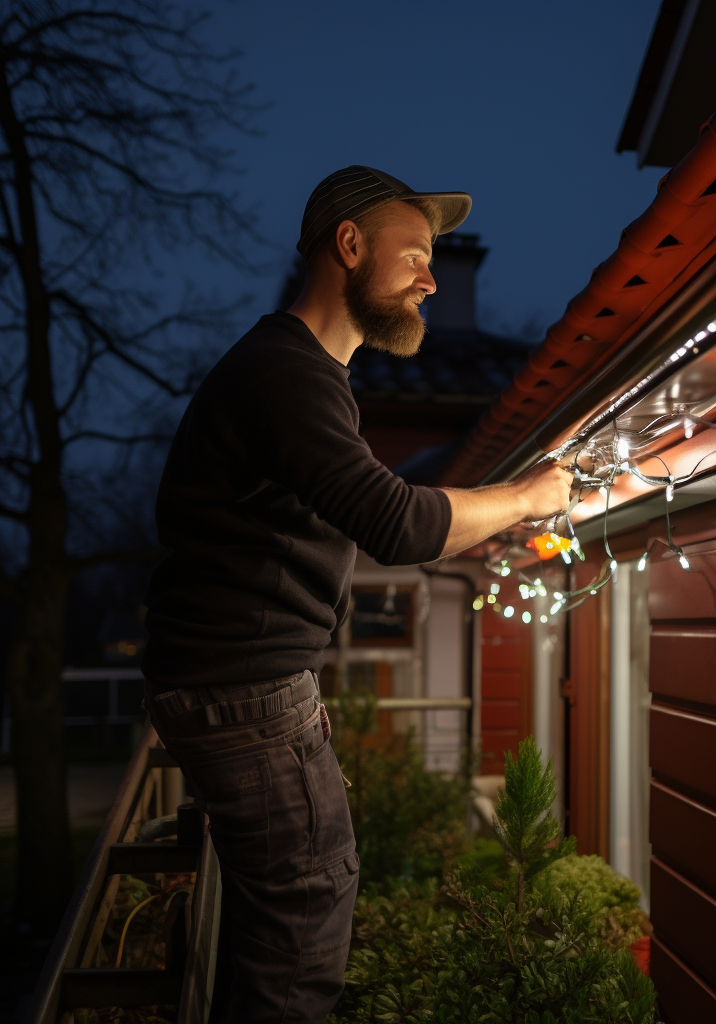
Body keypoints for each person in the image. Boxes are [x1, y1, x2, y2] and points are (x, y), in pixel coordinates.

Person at [141, 165, 571, 1023]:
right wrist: (529, 495)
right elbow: (398, 525)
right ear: (348, 245)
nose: (431, 276)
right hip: (242, 695)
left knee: (272, 916)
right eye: (413, 252)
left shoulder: (299, 375)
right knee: (306, 915)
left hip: (245, 688)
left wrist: (297, 684)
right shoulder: (286, 375)